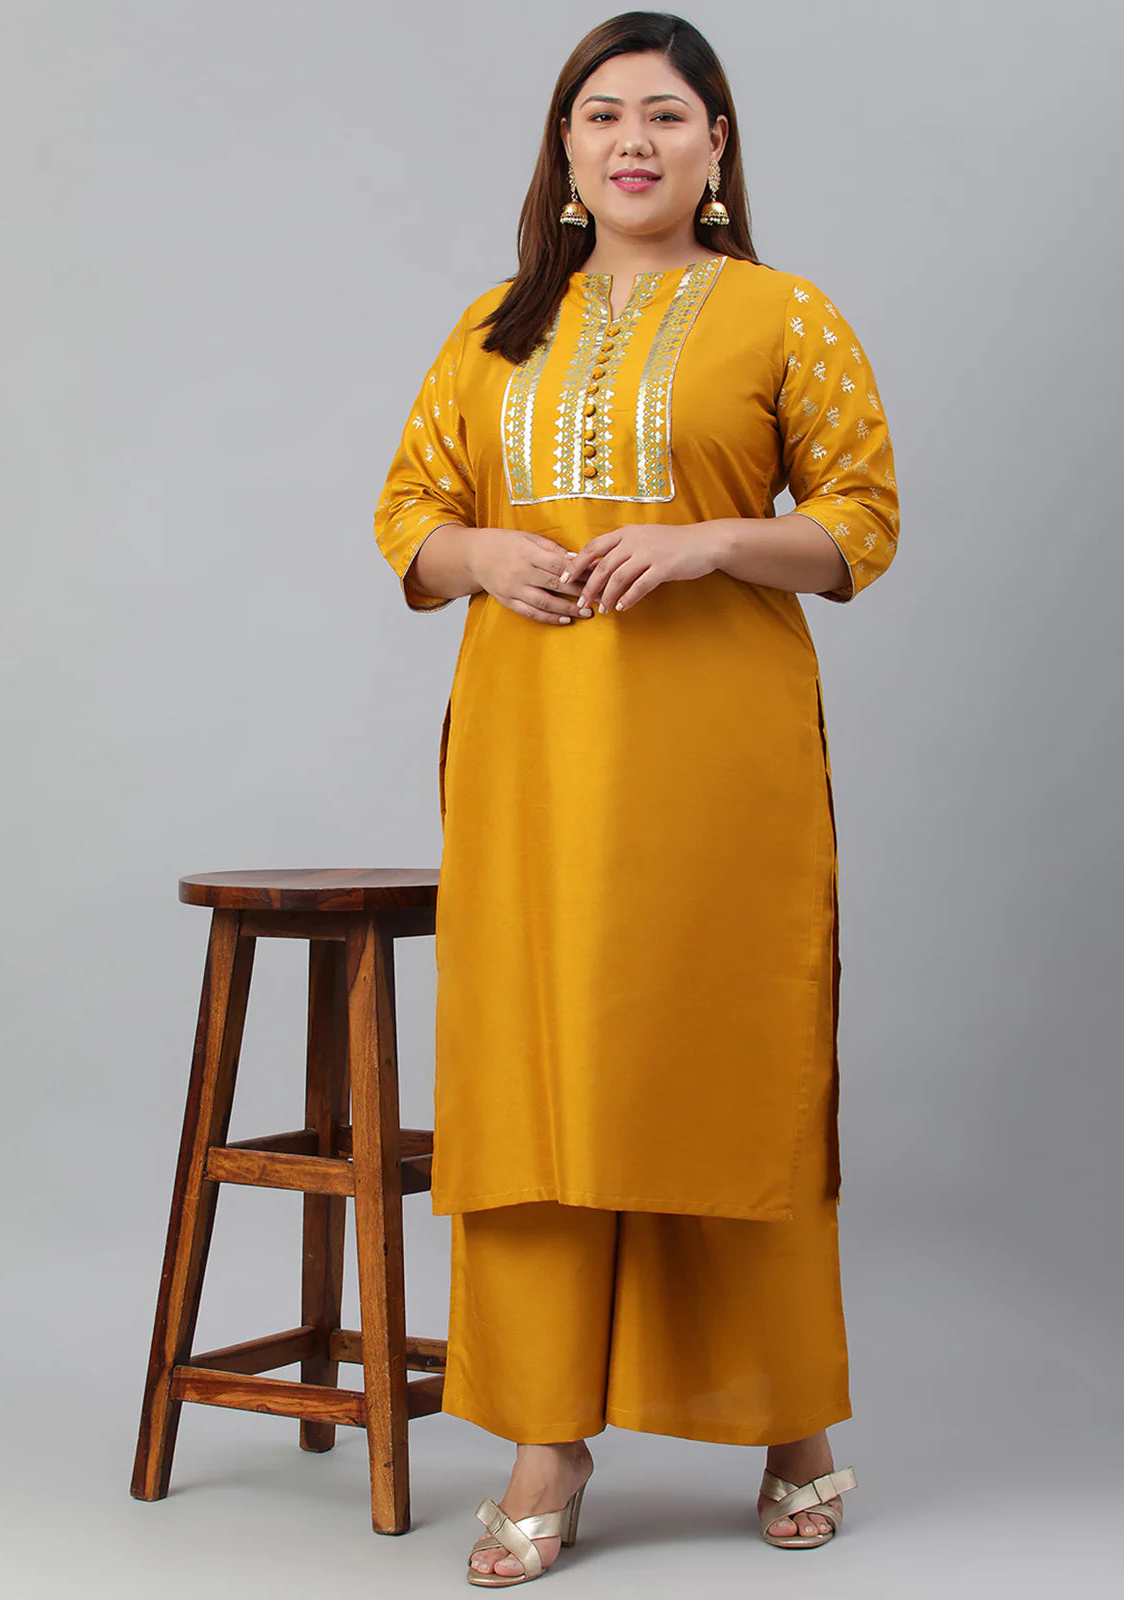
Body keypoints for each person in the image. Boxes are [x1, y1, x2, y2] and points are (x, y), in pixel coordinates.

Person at [373, 11, 898, 1585]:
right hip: (533, 762)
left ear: (715, 145)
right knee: (537, 1077)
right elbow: (409, 511)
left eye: (666, 114)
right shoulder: (494, 330)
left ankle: (790, 1420)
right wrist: (482, 553)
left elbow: (861, 521)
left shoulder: (782, 316)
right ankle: (547, 1435)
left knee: (725, 1063)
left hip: (713, 763)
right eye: (600, 115)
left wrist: (709, 541)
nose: (632, 142)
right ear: (565, 148)